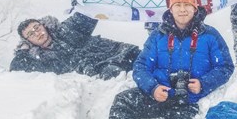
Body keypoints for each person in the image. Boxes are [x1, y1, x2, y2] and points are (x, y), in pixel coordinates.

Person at [80, 0, 234, 119]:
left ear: (195, 8)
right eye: (178, 5)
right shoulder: (158, 35)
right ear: (171, 8)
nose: (183, 9)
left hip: (187, 101)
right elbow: (141, 66)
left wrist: (204, 83)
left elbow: (226, 67)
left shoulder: (210, 35)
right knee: (123, 101)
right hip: (159, 95)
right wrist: (152, 88)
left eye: (187, 5)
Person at [10, 12, 140, 80]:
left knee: (154, 61)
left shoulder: (66, 30)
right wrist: (23, 51)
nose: (37, 33)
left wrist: (82, 0)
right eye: (31, 34)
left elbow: (88, 13)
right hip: (104, 69)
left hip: (121, 53)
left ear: (44, 25)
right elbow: (15, 69)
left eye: (37, 27)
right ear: (28, 41)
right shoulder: (43, 59)